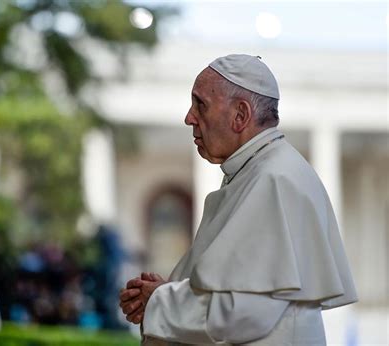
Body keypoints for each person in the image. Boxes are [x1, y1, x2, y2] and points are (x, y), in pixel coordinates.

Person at [119, 54, 357, 345]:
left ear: (240, 115)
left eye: (201, 105)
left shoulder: (275, 180)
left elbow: (245, 313)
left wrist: (159, 301)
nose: (189, 117)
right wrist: (167, 292)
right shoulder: (257, 171)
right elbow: (236, 293)